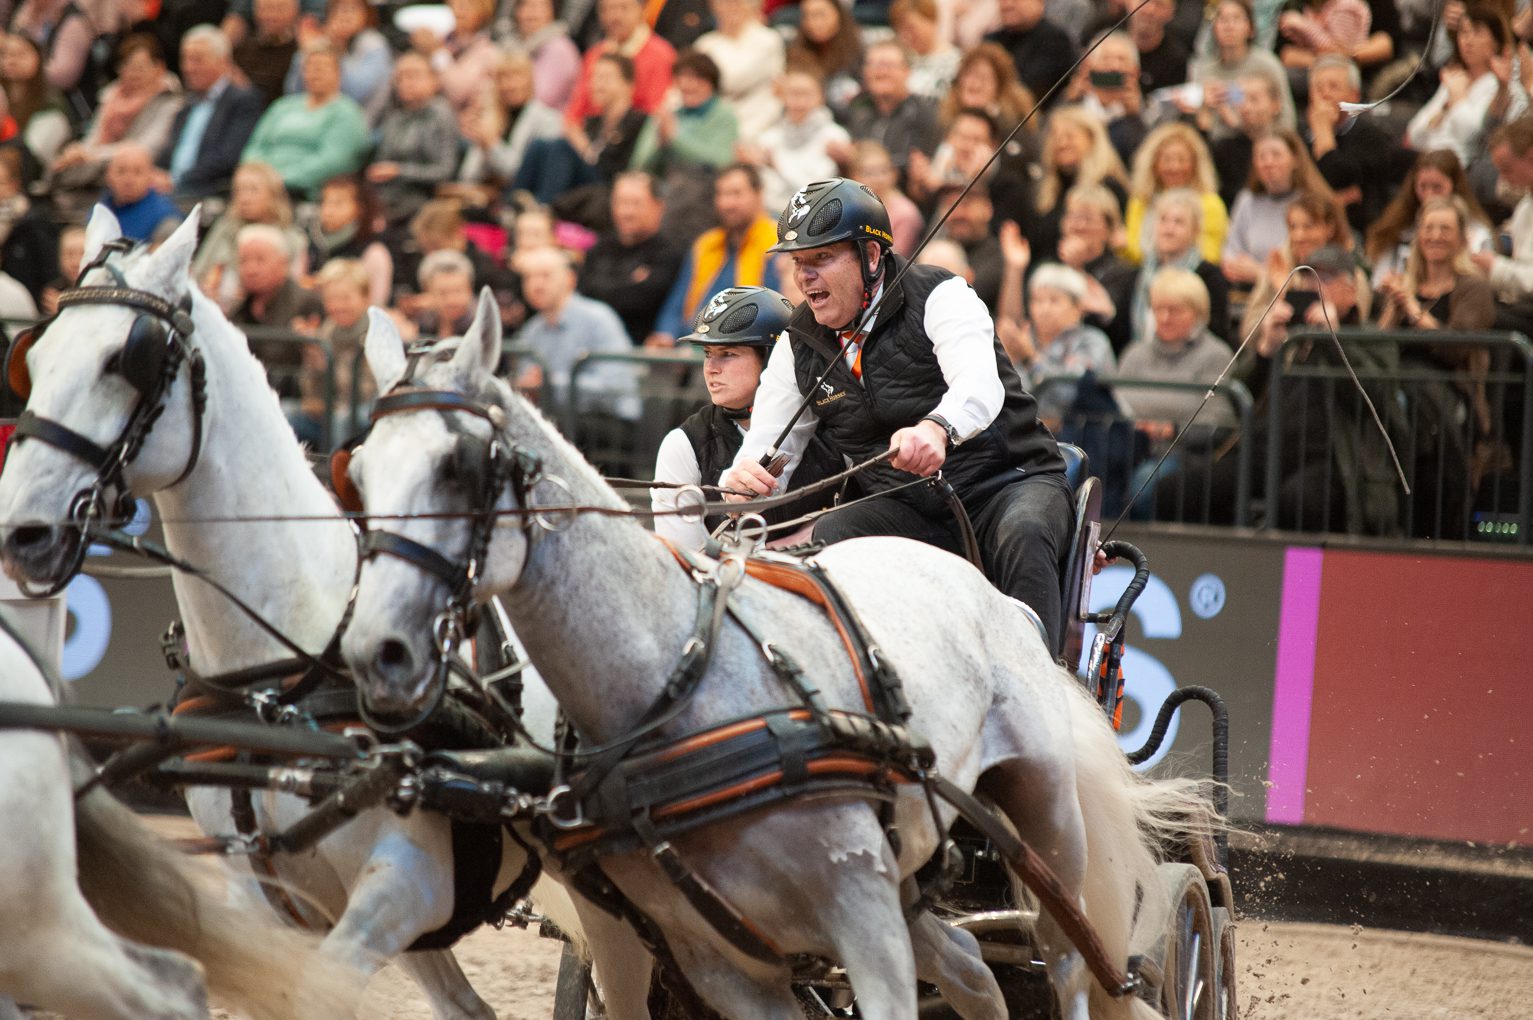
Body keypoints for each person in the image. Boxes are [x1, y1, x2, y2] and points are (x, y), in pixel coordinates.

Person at [719, 177, 1075, 652]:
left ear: (870, 255)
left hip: (1007, 485)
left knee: (1024, 531)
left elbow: (978, 387)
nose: (805, 277)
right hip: (908, 507)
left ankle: (1040, 673)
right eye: (799, 263)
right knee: (834, 532)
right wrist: (744, 479)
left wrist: (937, 428)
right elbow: (768, 451)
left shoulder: (942, 294)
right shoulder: (795, 343)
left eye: (821, 258)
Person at [651, 286, 842, 548]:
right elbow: (683, 558)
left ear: (773, 359)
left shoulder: (833, 423)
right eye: (707, 354)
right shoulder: (684, 444)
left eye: (728, 354)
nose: (710, 368)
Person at [648, 163, 780, 346]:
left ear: (759, 194)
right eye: (721, 194)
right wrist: (666, 334)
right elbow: (676, 304)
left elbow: (775, 312)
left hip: (746, 344)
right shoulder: (705, 245)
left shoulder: (775, 243)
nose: (726, 204)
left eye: (736, 194)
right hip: (692, 343)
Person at [46, 33, 183, 207]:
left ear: (159, 68)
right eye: (127, 66)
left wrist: (90, 155)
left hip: (137, 174)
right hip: (98, 170)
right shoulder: (110, 96)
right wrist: (78, 152)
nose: (133, 74)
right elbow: (94, 137)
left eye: (140, 67)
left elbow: (147, 148)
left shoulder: (170, 102)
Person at [514, 244, 639, 423]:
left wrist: (550, 384)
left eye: (545, 275)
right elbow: (528, 381)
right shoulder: (531, 330)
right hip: (558, 419)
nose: (536, 285)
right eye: (528, 278)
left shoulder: (599, 318)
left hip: (608, 421)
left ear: (570, 279)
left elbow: (613, 387)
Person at [241, 44, 371, 199]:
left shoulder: (346, 113)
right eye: (309, 68)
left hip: (307, 194)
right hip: (261, 188)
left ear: (338, 73)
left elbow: (333, 162)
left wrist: (281, 180)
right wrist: (256, 175)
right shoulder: (282, 106)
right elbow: (255, 146)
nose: (314, 73)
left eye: (321, 68)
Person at [1305, 54, 1412, 233]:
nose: (1325, 94)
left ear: (1353, 95)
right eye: (1318, 88)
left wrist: (1323, 132)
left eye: (1333, 87)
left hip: (1361, 230)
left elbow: (1339, 178)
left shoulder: (1372, 136)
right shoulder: (1302, 135)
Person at [157, 26, 265, 200]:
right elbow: (168, 152)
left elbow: (227, 158)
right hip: (169, 188)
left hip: (206, 192)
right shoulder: (187, 104)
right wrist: (155, 174)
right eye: (185, 59)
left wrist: (176, 180)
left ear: (223, 62)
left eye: (197, 60)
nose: (188, 67)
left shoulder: (242, 101)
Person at [578, 171, 684, 343]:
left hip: (642, 348)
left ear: (659, 206)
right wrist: (629, 283)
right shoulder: (599, 249)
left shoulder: (671, 252)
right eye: (621, 202)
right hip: (592, 344)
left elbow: (643, 301)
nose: (627, 212)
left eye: (636, 203)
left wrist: (606, 287)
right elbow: (584, 294)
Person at [1405, 5, 1519, 165]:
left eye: (1477, 32)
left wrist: (1458, 99)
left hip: (1463, 167)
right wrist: (1444, 109)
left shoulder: (1498, 86)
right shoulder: (1456, 78)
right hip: (1429, 159)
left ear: (1496, 41)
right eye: (1464, 32)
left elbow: (1472, 139)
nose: (1468, 41)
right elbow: (1414, 133)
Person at [1222, 128, 1336, 285]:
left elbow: (1315, 261)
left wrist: (1261, 273)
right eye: (1262, 156)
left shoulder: (1312, 202)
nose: (1268, 163)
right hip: (1247, 289)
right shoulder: (1247, 201)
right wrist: (1236, 266)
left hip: (1300, 288)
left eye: (1276, 155)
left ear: (1295, 159)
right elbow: (1231, 250)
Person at [1364, 148, 1494, 286]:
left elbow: (1481, 281)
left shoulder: (1477, 233)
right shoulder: (1398, 227)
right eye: (1422, 187)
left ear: (1454, 186)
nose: (1429, 195)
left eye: (1437, 187)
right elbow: (1378, 281)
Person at [194, 161, 308, 311]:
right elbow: (198, 274)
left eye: (253, 190)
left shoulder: (293, 238)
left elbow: (295, 289)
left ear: (273, 194)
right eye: (239, 191)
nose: (244, 199)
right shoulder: (224, 229)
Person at [738, 65, 849, 216]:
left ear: (821, 97)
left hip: (817, 214)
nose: (799, 101)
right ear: (782, 97)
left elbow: (816, 190)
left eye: (806, 94)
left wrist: (776, 166)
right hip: (773, 215)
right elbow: (767, 191)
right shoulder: (769, 137)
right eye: (793, 94)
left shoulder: (834, 136)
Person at [1026, 105, 1129, 266]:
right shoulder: (1047, 192)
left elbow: (1118, 241)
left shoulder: (1109, 187)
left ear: (1092, 139)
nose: (1062, 144)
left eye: (1070, 136)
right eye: (1055, 137)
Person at [368, 52, 459, 227]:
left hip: (422, 200)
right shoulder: (394, 117)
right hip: (386, 198)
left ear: (434, 80)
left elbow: (445, 171)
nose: (406, 82)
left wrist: (399, 171)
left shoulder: (441, 114)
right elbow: (381, 162)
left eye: (414, 75)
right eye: (400, 77)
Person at [1130, 189, 1232, 342]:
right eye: (1163, 220)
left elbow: (1217, 332)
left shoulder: (1209, 276)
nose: (1169, 229)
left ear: (1195, 230)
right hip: (1143, 352)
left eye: (1178, 222)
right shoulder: (1138, 274)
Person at [1123, 122, 1229, 265]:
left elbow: (1210, 255)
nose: (1174, 167)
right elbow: (1131, 249)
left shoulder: (1210, 204)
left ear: (1195, 164)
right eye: (1167, 160)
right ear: (1154, 164)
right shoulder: (1140, 201)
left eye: (1182, 160)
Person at [836, 40, 941, 183]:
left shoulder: (924, 114)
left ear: (907, 71)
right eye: (873, 65)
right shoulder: (857, 108)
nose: (881, 72)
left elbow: (920, 165)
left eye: (888, 65)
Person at [564, 0, 677, 123]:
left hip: (635, 130)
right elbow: (574, 114)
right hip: (592, 130)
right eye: (607, 9)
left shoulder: (661, 55)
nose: (615, 16)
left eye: (624, 8)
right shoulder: (594, 54)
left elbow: (655, 113)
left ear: (641, 10)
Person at [283, 0, 393, 125]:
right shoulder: (322, 41)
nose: (344, 15)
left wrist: (338, 44)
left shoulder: (374, 44)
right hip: (311, 119)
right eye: (339, 9)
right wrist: (305, 52)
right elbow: (293, 91)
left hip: (360, 123)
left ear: (366, 14)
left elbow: (355, 92)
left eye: (352, 9)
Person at [693, 0, 784, 138]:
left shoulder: (768, 39)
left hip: (759, 123)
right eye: (724, 3)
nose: (730, 8)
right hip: (712, 123)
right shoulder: (705, 43)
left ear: (751, 6)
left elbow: (734, 80)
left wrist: (705, 83)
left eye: (737, 3)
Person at [305, 175, 393, 306]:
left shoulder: (373, 252)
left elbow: (376, 306)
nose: (328, 211)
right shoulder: (311, 244)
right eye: (324, 202)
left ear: (360, 209)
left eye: (338, 204)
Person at [410, 0, 502, 113]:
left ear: (483, 12)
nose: (459, 11)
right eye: (455, 5)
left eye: (467, 6)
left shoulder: (487, 51)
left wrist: (436, 52)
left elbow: (458, 91)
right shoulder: (441, 41)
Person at [984, 0, 1078, 106]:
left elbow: (1030, 91)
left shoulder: (1056, 41)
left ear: (1039, 2)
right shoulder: (991, 40)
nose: (1007, 4)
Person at [1, 32, 70, 168]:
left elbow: (34, 153)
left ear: (38, 57)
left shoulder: (51, 103)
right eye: (5, 54)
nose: (11, 60)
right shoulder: (2, 93)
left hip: (28, 167)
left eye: (20, 54)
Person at [496, 0, 581, 110]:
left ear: (552, 11)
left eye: (536, 7)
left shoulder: (560, 48)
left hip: (550, 117)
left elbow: (542, 98)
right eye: (524, 6)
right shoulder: (511, 46)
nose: (529, 14)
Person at [785, 0, 863, 109]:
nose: (814, 22)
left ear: (838, 15)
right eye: (807, 16)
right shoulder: (795, 52)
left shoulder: (859, 53)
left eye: (820, 14)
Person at [99, 141, 182, 242]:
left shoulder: (166, 218)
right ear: (108, 175)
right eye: (121, 171)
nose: (128, 180)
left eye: (137, 172)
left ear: (150, 176)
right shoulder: (101, 208)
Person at [233, 0, 302, 109]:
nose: (272, 16)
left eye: (279, 9)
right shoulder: (242, 48)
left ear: (294, 12)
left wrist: (246, 87)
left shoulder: (300, 53)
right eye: (266, 8)